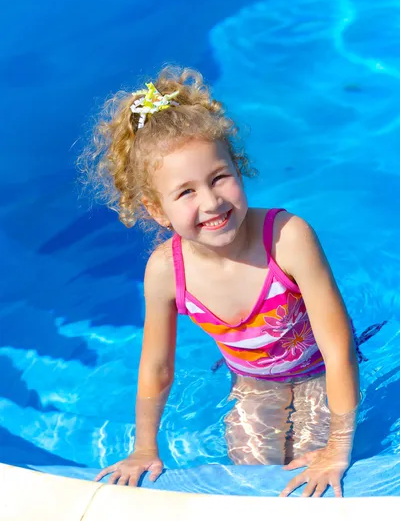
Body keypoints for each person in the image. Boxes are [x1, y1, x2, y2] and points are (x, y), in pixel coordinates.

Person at [80, 67, 361, 497]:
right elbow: (156, 368)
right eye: (185, 192)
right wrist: (144, 448)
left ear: (239, 167)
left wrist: (338, 448)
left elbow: (338, 349)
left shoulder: (287, 239)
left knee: (314, 478)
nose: (211, 202)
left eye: (218, 178)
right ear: (156, 210)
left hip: (319, 374)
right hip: (252, 383)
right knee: (253, 481)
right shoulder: (165, 272)